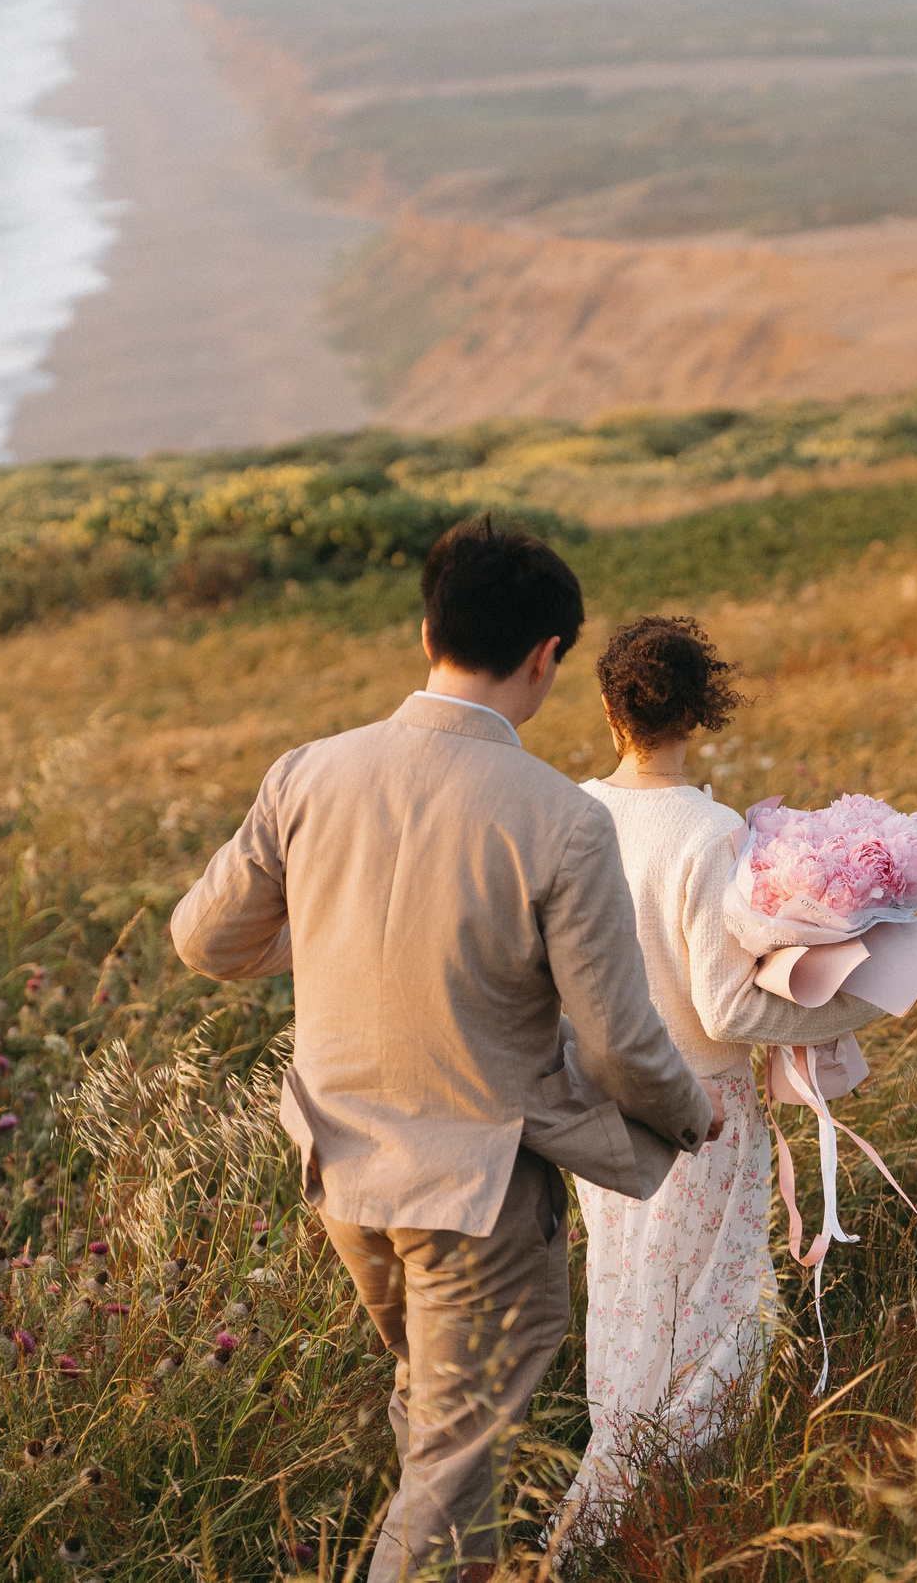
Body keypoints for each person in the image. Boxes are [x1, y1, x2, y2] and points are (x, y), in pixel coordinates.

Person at [170, 518, 721, 1583]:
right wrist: (690, 1115)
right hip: (476, 1197)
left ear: (427, 627)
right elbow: (615, 1044)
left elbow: (203, 939)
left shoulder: (308, 773)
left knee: (435, 1427)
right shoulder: (560, 819)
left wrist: (333, 936)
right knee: (452, 1480)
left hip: (340, 1173)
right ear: (546, 657)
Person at [554, 614, 878, 1551]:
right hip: (697, 1105)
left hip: (592, 1103)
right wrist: (848, 1009)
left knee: (625, 1293)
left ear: (610, 704)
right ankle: (657, 1515)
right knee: (720, 1309)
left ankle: (606, 1508)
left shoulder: (573, 812)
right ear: (702, 708)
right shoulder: (710, 832)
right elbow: (729, 1008)